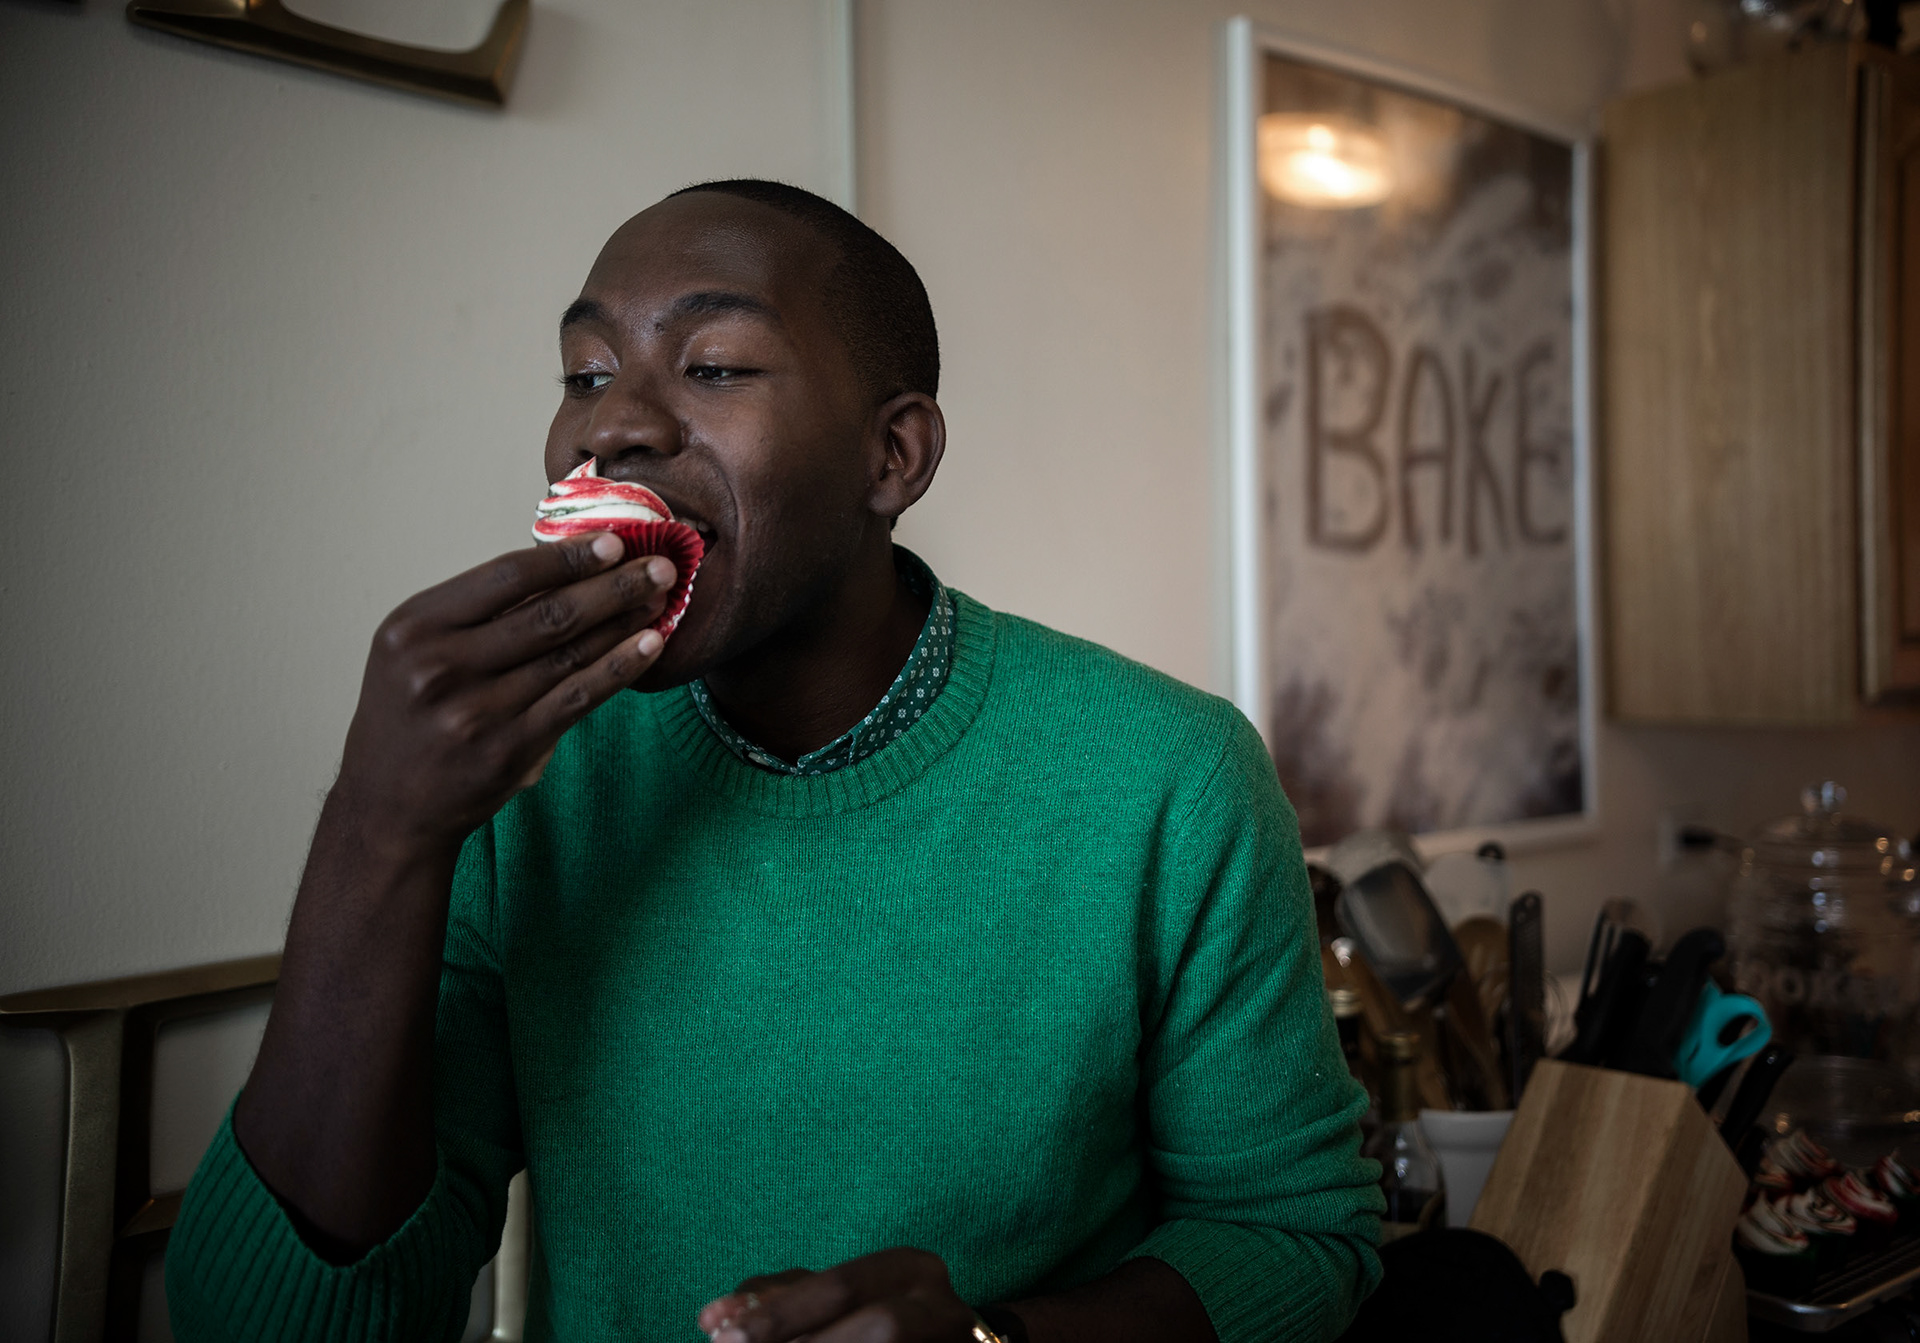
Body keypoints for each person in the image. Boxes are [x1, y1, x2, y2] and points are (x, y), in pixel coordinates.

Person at [166, 180, 1381, 1343]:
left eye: (714, 367)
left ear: (892, 458)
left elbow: (1295, 1237)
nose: (612, 426)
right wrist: (379, 832)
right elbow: (266, 1322)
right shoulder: (528, 778)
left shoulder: (1163, 777)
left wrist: (995, 1334)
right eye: (584, 375)